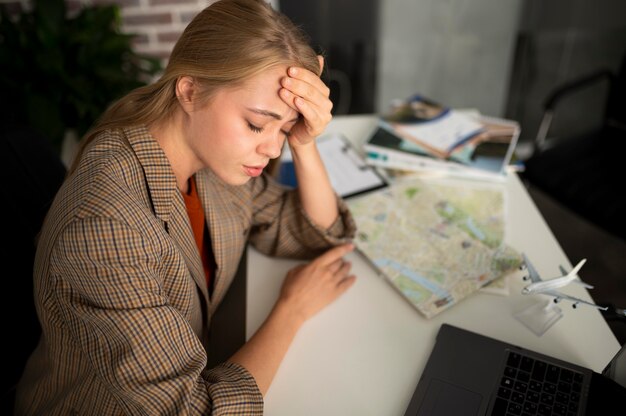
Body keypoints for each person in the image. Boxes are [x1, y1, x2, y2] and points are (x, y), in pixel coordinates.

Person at [14, 0, 357, 414]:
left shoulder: (211, 157)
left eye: (284, 128)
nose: (271, 148)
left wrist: (304, 143)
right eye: (255, 124)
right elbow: (195, 410)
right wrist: (290, 311)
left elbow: (312, 231)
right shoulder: (106, 227)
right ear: (190, 91)